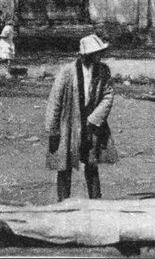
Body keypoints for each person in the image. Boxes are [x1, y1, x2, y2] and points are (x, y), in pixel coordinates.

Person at [45, 34, 118, 201]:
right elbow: (55, 100)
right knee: (64, 165)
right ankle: (63, 202)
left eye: (100, 53)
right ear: (86, 55)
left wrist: (95, 118)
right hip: (69, 123)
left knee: (91, 163)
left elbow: (108, 95)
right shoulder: (67, 72)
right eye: (96, 53)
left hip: (91, 123)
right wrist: (53, 128)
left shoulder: (103, 70)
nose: (99, 56)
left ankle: (96, 202)